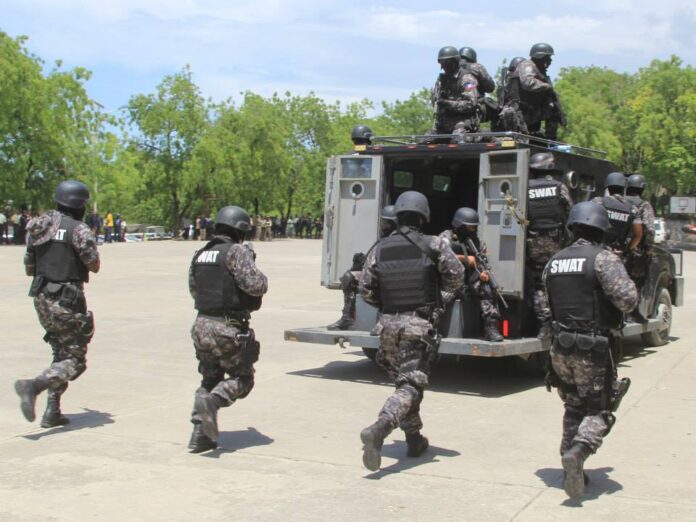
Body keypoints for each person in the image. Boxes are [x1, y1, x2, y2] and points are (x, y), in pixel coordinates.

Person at [358, 191, 465, 471]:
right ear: (423, 215)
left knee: (404, 385)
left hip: (386, 327)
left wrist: (387, 305)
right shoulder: (434, 244)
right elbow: (456, 277)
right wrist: (438, 295)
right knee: (410, 386)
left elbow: (365, 290)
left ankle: (414, 439)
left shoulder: (379, 248)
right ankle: (379, 428)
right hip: (418, 325)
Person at [544, 201, 637, 499]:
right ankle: (579, 451)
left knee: (573, 406)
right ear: (600, 229)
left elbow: (544, 306)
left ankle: (571, 464)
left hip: (560, 348)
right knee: (599, 410)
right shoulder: (603, 259)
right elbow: (628, 301)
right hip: (592, 348)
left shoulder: (554, 261)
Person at [14, 180, 100, 427]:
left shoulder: (38, 227)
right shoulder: (78, 229)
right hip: (67, 299)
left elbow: (30, 267)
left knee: (60, 352)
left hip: (41, 298)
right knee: (75, 360)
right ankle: (33, 386)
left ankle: (53, 411)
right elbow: (93, 264)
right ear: (79, 204)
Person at [187, 205, 268, 453]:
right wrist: (255, 266)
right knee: (242, 379)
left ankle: (201, 434)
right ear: (240, 230)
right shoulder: (236, 252)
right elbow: (256, 286)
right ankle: (213, 402)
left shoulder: (200, 254)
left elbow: (194, 289)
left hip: (201, 325)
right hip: (227, 326)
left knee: (210, 378)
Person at [525, 152, 573, 338]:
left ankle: (544, 323)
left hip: (533, 241)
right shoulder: (558, 187)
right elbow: (570, 210)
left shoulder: (526, 187)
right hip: (555, 241)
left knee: (538, 283)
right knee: (558, 279)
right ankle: (561, 320)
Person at [327, 205, 398, 331]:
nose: (381, 225)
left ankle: (385, 319)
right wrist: (360, 264)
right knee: (349, 277)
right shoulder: (384, 238)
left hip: (391, 277)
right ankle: (347, 317)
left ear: (391, 223)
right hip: (379, 274)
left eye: (384, 222)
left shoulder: (397, 239)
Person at [439, 207, 504, 341]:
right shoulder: (446, 238)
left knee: (488, 287)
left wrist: (482, 273)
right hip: (449, 283)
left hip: (468, 283)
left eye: (474, 227)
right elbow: (439, 255)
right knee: (436, 300)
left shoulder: (478, 243)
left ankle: (490, 327)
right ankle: (434, 328)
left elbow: (482, 262)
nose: (472, 230)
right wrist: (465, 258)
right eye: (469, 227)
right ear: (459, 225)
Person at [500, 43, 566, 140]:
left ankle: (550, 140)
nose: (550, 61)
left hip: (532, 112)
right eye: (548, 57)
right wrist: (546, 87)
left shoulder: (541, 73)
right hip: (519, 111)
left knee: (554, 112)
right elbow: (527, 83)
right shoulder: (527, 65)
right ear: (541, 56)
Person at [429, 46, 480, 141]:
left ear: (454, 62)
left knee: (458, 140)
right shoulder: (441, 81)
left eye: (446, 63)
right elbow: (436, 102)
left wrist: (447, 103)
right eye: (442, 63)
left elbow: (471, 104)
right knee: (425, 141)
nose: (444, 67)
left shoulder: (467, 79)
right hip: (443, 127)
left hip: (461, 125)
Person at [591, 172, 642, 256]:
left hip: (596, 251)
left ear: (607, 188)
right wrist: (626, 252)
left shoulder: (598, 202)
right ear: (623, 188)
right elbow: (638, 234)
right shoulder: (632, 209)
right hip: (617, 255)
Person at [624, 174, 656, 295]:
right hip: (635, 253)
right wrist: (649, 248)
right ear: (642, 189)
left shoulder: (620, 202)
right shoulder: (644, 205)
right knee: (635, 285)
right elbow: (650, 230)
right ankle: (632, 311)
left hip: (617, 249)